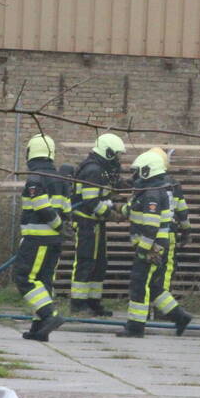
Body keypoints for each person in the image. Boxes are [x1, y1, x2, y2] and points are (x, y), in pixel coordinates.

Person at [117, 150, 192, 338]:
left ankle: (135, 327)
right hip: (156, 245)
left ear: (146, 171)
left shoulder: (151, 194)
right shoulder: (154, 190)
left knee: (139, 285)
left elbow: (150, 228)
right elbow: (133, 209)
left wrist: (143, 250)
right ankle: (180, 316)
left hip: (152, 247)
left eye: (137, 171)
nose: (134, 175)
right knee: (156, 287)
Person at [13, 133, 67, 341]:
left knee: (24, 277)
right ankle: (39, 328)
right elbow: (67, 207)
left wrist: (58, 225)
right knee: (43, 282)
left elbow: (42, 206)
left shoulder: (35, 178)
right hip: (54, 241)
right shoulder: (61, 178)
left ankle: (49, 315)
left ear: (30, 153)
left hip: (37, 239)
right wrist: (64, 227)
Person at [69, 133, 125, 317]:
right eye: (116, 154)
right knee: (86, 261)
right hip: (86, 222)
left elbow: (109, 191)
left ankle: (93, 302)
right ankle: (78, 303)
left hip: (96, 223)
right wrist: (112, 214)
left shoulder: (102, 169)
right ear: (107, 152)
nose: (118, 158)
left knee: (99, 263)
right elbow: (91, 201)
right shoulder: (93, 170)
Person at [145, 147, 192, 334]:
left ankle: (159, 308)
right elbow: (182, 209)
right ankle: (162, 308)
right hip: (168, 235)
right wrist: (186, 230)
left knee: (151, 273)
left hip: (151, 235)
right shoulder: (173, 184)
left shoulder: (146, 183)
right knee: (164, 270)